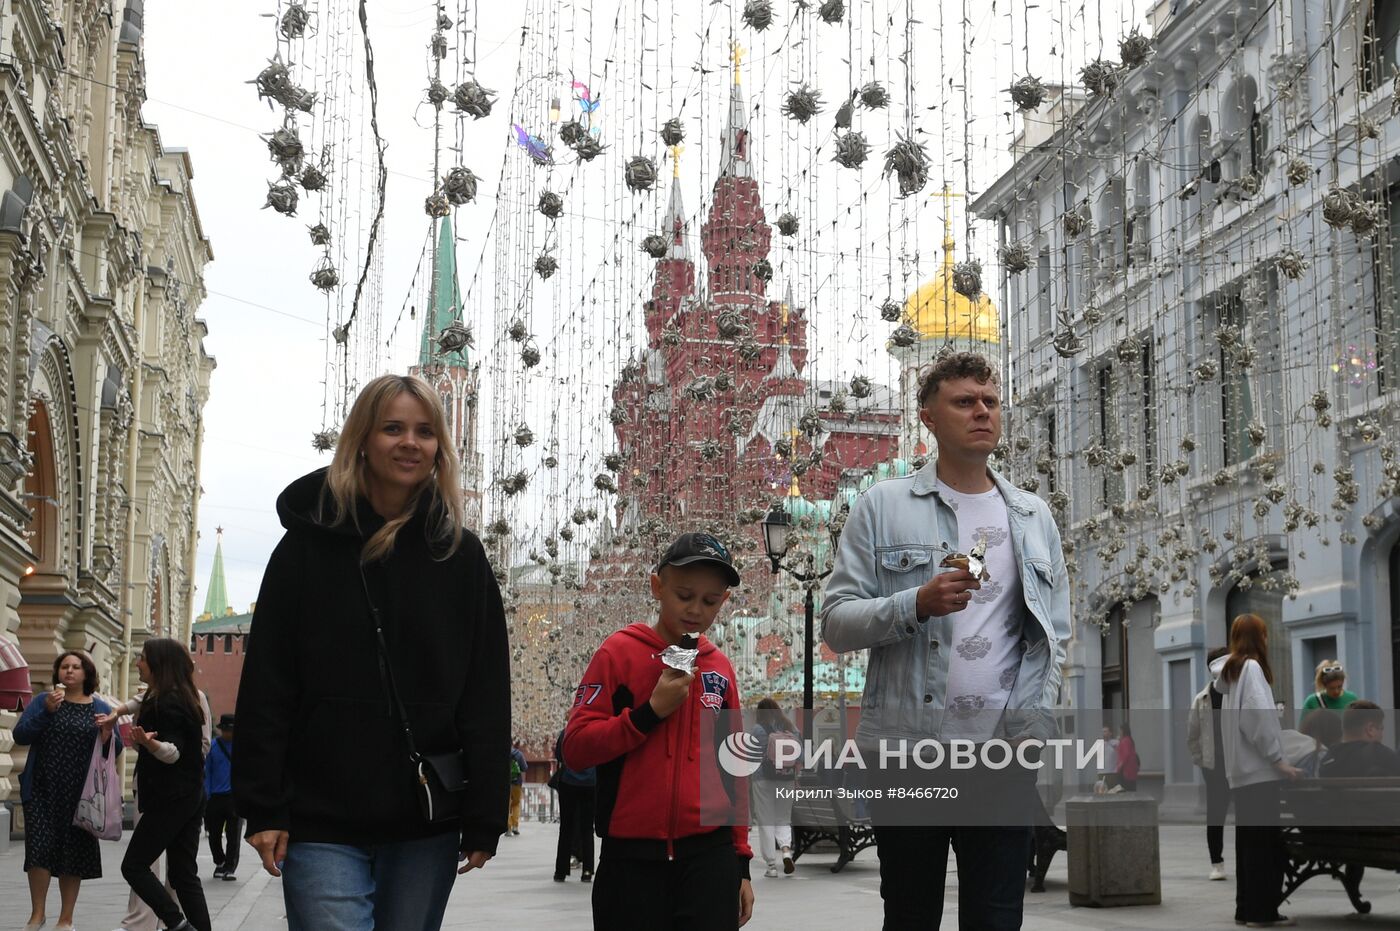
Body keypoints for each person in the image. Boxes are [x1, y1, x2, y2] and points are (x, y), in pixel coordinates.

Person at [233, 373, 510, 931]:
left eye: (425, 431)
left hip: (422, 818)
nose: (410, 442)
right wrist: (263, 806)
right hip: (320, 817)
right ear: (362, 438)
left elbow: (484, 691)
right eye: (393, 428)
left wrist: (485, 814)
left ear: (439, 448)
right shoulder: (305, 548)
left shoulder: (460, 556)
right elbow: (268, 682)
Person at [821, 351, 1070, 930]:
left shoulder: (1033, 517)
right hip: (910, 753)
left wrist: (1035, 720)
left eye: (989, 401)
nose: (981, 412)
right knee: (910, 913)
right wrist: (915, 604)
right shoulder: (883, 506)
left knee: (997, 916)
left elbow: (1053, 636)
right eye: (964, 402)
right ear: (929, 416)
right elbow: (835, 621)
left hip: (1002, 754)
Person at [562, 532, 755, 929]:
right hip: (631, 862)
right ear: (657, 586)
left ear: (725, 601)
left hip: (710, 860)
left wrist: (741, 863)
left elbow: (733, 771)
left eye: (710, 600)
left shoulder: (719, 667)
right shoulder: (618, 653)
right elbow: (575, 748)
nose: (696, 610)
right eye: (684, 595)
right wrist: (647, 714)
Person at [15, 651, 121, 931]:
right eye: (64, 666)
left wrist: (108, 734)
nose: (69, 671)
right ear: (57, 672)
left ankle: (66, 918)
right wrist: (47, 713)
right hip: (42, 788)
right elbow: (20, 735)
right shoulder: (43, 701)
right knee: (38, 850)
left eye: (76, 667)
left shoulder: (99, 706)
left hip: (82, 794)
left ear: (87, 673)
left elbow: (115, 749)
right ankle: (37, 914)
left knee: (72, 854)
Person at [1211, 613, 1301, 929]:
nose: (1267, 639)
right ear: (1258, 637)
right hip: (1260, 772)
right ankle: (1262, 913)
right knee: (1265, 845)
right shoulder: (1251, 668)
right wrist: (1278, 760)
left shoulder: (1230, 674)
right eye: (1264, 634)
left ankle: (1246, 910)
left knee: (1248, 843)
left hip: (1240, 774)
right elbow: (1259, 719)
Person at [117, 638, 211, 931]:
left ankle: (175, 922)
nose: (137, 663)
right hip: (190, 794)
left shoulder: (166, 703)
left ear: (158, 664)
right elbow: (136, 702)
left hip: (171, 797)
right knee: (183, 874)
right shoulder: (181, 697)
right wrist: (116, 715)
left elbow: (173, 753)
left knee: (133, 866)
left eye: (142, 658)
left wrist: (150, 743)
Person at [1188, 646, 1232, 880]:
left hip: (1239, 764)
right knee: (1215, 815)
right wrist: (1202, 762)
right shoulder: (1202, 699)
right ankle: (1217, 862)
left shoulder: (1237, 692)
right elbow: (1192, 735)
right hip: (1214, 767)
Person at [748, 697, 798, 878]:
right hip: (786, 778)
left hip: (763, 779)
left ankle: (771, 866)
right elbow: (798, 754)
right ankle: (786, 851)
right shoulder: (790, 727)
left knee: (765, 821)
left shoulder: (758, 730)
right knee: (783, 818)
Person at [552, 727, 596, 882]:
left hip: (568, 781)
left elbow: (558, 754)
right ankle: (588, 871)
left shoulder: (567, 731)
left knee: (566, 828)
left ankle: (561, 871)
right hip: (591, 783)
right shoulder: (595, 731)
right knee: (587, 828)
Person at [1320, 701, 1400, 778]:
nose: (1382, 735)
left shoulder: (1328, 759)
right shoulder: (1381, 756)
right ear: (1370, 729)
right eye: (1381, 729)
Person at [204, 714, 241, 880]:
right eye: (225, 730)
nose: (228, 733)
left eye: (231, 730)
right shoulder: (213, 746)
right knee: (214, 834)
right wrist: (208, 794)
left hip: (235, 797)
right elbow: (207, 772)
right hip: (215, 797)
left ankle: (230, 867)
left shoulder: (241, 748)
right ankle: (219, 861)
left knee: (234, 835)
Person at [508, 741, 527, 835]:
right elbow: (524, 768)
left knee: (506, 806)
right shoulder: (518, 754)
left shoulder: (501, 753)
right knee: (516, 804)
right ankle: (515, 825)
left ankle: (508, 828)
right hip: (516, 783)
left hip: (505, 784)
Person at [1115, 722, 1139, 791]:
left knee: (1124, 788)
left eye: (1120, 730)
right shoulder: (1129, 740)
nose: (1119, 732)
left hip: (1125, 770)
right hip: (1131, 770)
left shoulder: (1125, 741)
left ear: (1123, 730)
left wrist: (1120, 766)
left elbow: (1126, 754)